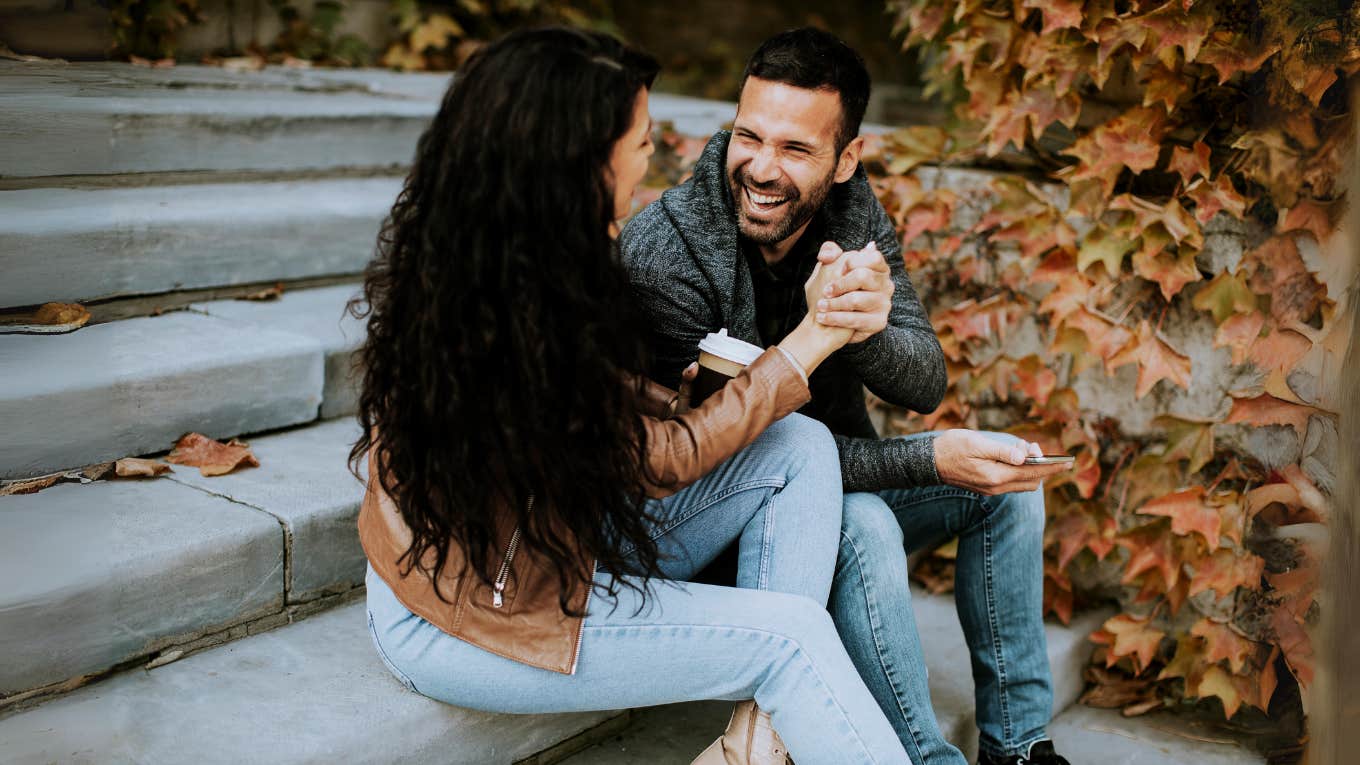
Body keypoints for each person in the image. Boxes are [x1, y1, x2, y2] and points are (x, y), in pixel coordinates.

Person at [348, 27, 915, 765]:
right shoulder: (508, 303)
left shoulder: (517, 247)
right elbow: (655, 463)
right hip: (479, 614)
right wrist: (809, 339)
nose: (656, 155)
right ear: (583, 157)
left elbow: (576, 424)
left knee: (800, 442)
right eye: (642, 140)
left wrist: (671, 395)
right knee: (791, 637)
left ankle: (751, 746)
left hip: (557, 538)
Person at [621, 28, 1075, 765]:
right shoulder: (668, 252)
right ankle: (927, 757)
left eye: (796, 149)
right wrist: (928, 454)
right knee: (860, 520)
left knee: (1008, 486)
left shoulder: (853, 213)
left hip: (828, 478)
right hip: (721, 522)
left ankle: (1019, 746)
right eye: (749, 136)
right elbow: (715, 463)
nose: (762, 168)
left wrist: (860, 328)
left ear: (845, 160)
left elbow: (925, 382)